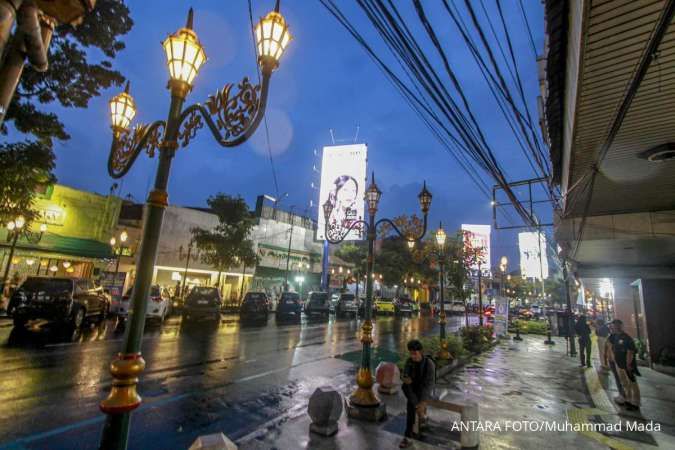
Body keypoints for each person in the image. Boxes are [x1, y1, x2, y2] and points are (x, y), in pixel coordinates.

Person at [400, 339, 435, 449]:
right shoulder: (409, 362)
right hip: (413, 390)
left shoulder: (429, 364)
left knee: (413, 405)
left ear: (421, 352)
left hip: (424, 389)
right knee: (405, 387)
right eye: (411, 354)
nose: (413, 356)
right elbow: (404, 376)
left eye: (415, 354)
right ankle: (409, 435)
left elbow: (429, 384)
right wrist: (404, 378)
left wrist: (423, 401)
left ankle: (420, 417)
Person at [607, 319, 641, 411]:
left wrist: (629, 364)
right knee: (624, 383)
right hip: (619, 365)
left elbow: (631, 351)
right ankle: (628, 400)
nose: (612, 328)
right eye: (612, 326)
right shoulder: (615, 336)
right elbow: (612, 347)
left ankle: (635, 402)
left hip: (627, 365)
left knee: (632, 383)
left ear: (619, 326)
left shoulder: (626, 337)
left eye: (613, 326)